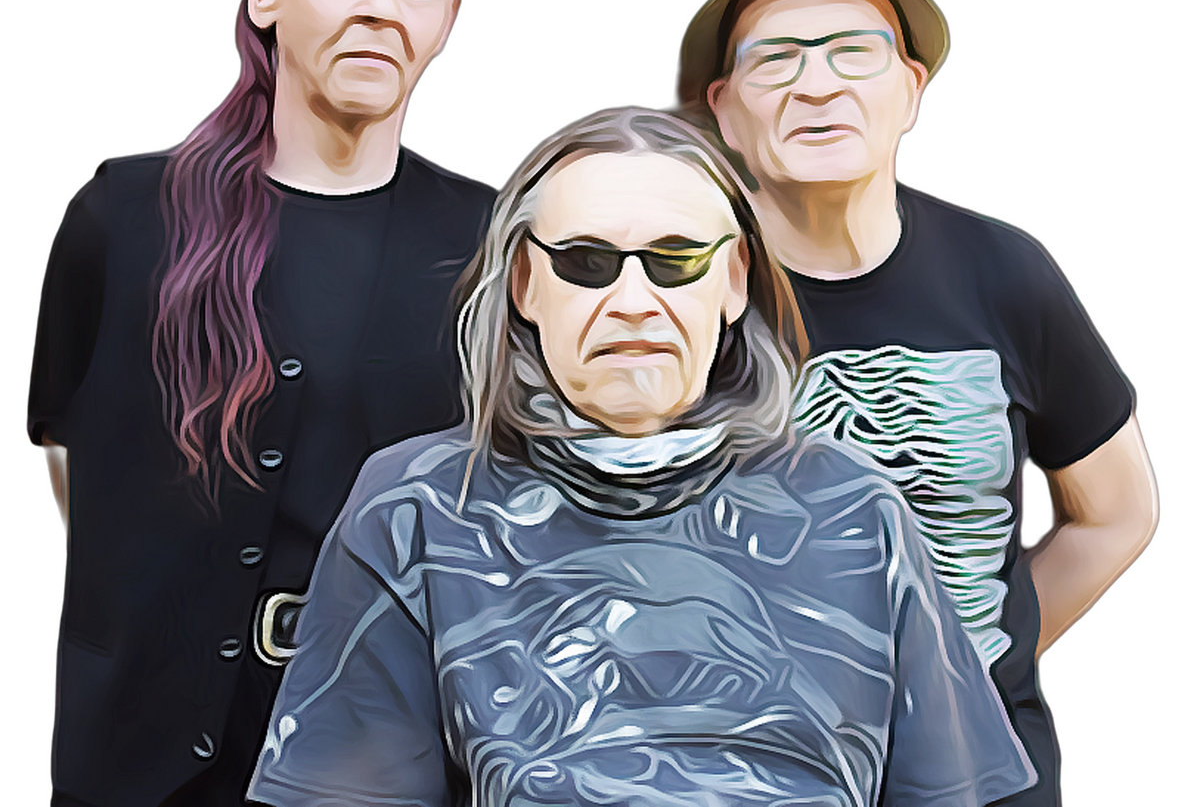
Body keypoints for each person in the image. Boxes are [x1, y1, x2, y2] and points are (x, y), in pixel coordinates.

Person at [249, 106, 1035, 807]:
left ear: (734, 280)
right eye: (586, 262)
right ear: (524, 282)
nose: (632, 301)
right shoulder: (415, 508)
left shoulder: (857, 508)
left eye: (676, 259)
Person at [26, 0, 494, 807]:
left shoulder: (490, 245)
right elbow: (74, 459)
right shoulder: (123, 218)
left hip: (380, 762)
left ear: (447, 17)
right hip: (137, 764)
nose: (381, 5)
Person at [678, 0, 1159, 805]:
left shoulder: (1006, 272)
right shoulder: (671, 291)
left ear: (910, 88)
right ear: (725, 109)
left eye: (852, 51)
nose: (816, 85)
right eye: (774, 58)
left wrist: (971, 661)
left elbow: (1118, 511)